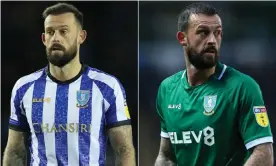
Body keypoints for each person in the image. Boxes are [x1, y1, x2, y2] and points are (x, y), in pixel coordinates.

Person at [3, 3, 135, 166]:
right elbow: (15, 151)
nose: (56, 38)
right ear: (44, 39)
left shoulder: (107, 87)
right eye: (50, 32)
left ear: (81, 36)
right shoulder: (24, 88)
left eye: (63, 31)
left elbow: (123, 150)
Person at [154, 3, 273, 166]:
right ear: (183, 38)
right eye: (203, 32)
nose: (212, 40)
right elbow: (167, 157)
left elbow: (263, 154)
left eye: (217, 33)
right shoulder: (167, 89)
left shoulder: (243, 87)